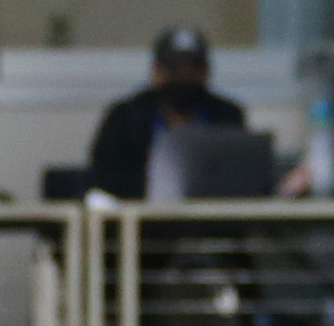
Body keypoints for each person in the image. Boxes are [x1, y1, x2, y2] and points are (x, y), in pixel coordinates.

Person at [86, 29, 248, 202]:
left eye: (192, 69)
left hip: (214, 220)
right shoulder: (125, 117)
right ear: (156, 71)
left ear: (206, 72)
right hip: (140, 220)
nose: (183, 77)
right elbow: (102, 178)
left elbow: (242, 178)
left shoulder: (227, 116)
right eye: (174, 70)